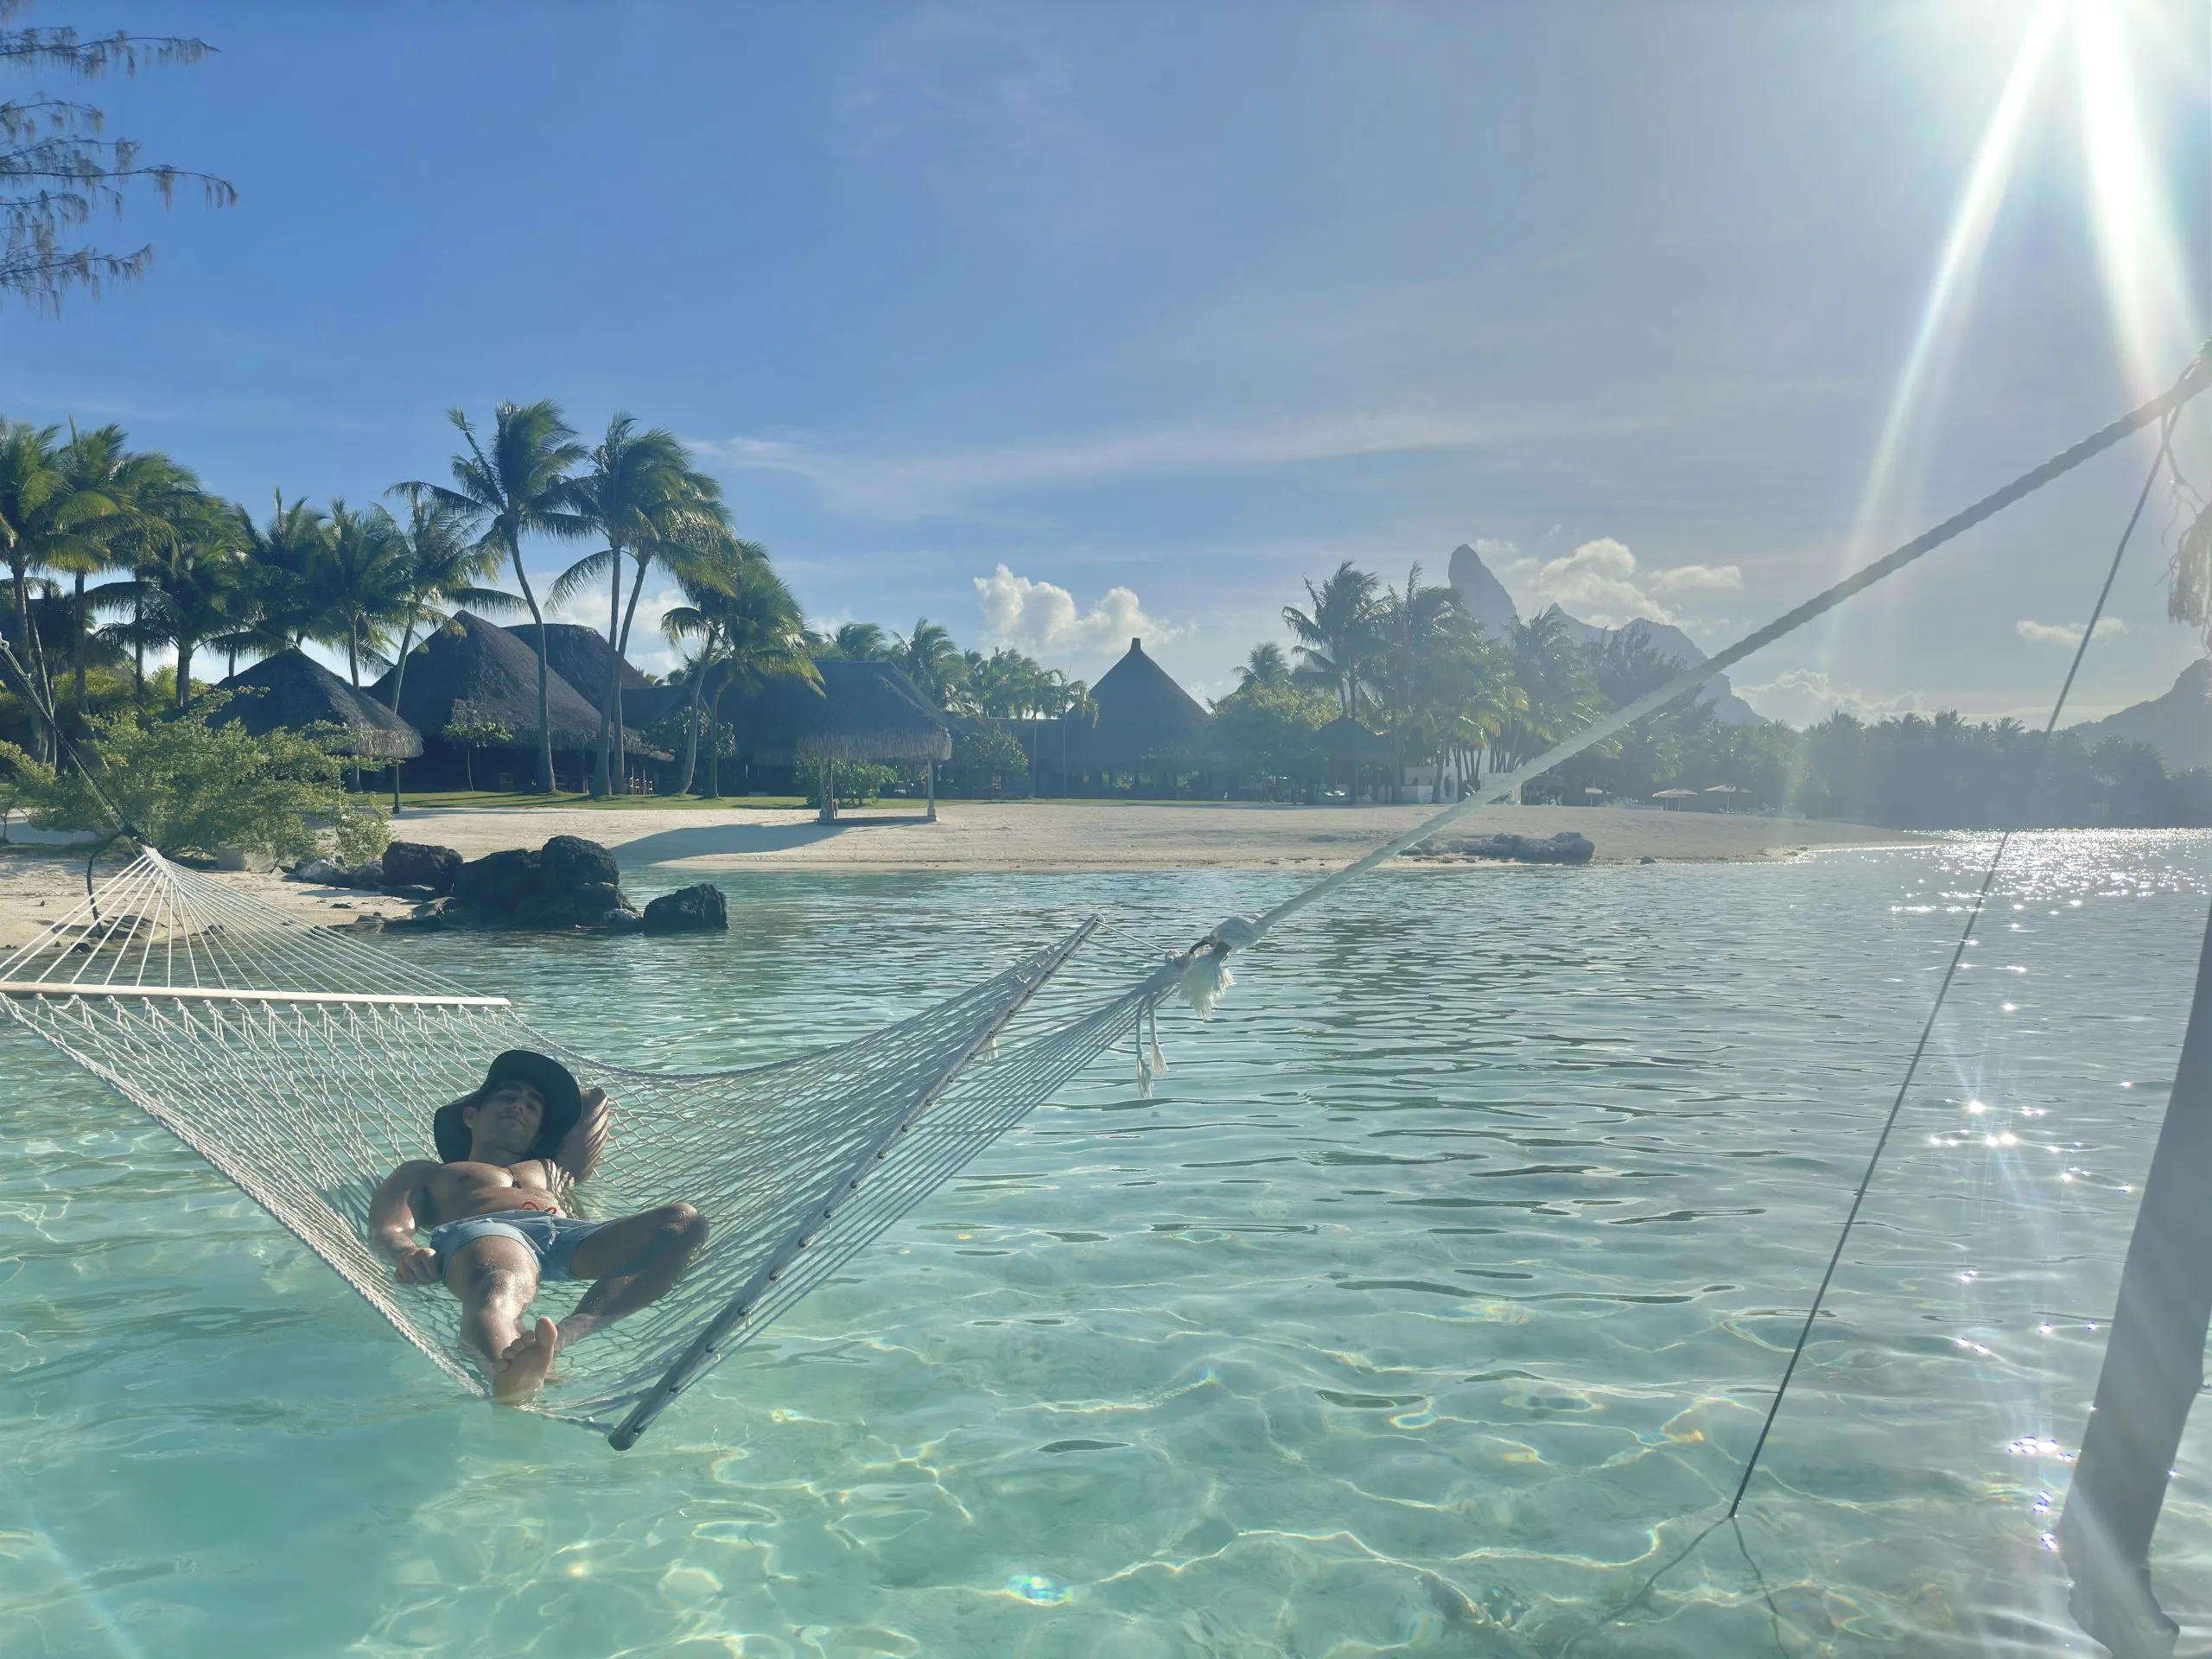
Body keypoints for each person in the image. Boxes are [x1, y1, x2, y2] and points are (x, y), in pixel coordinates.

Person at [366, 1049, 709, 1403]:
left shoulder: (552, 1170)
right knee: (497, 1284)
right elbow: (388, 1228)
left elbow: (594, 1101)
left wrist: (549, 1105)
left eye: (532, 1105)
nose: (520, 1106)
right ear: (471, 1115)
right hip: (488, 1231)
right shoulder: (429, 1171)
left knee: (683, 1222)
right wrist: (407, 1253)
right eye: (508, 1097)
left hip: (568, 1235)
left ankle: (566, 1334)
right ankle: (508, 1372)